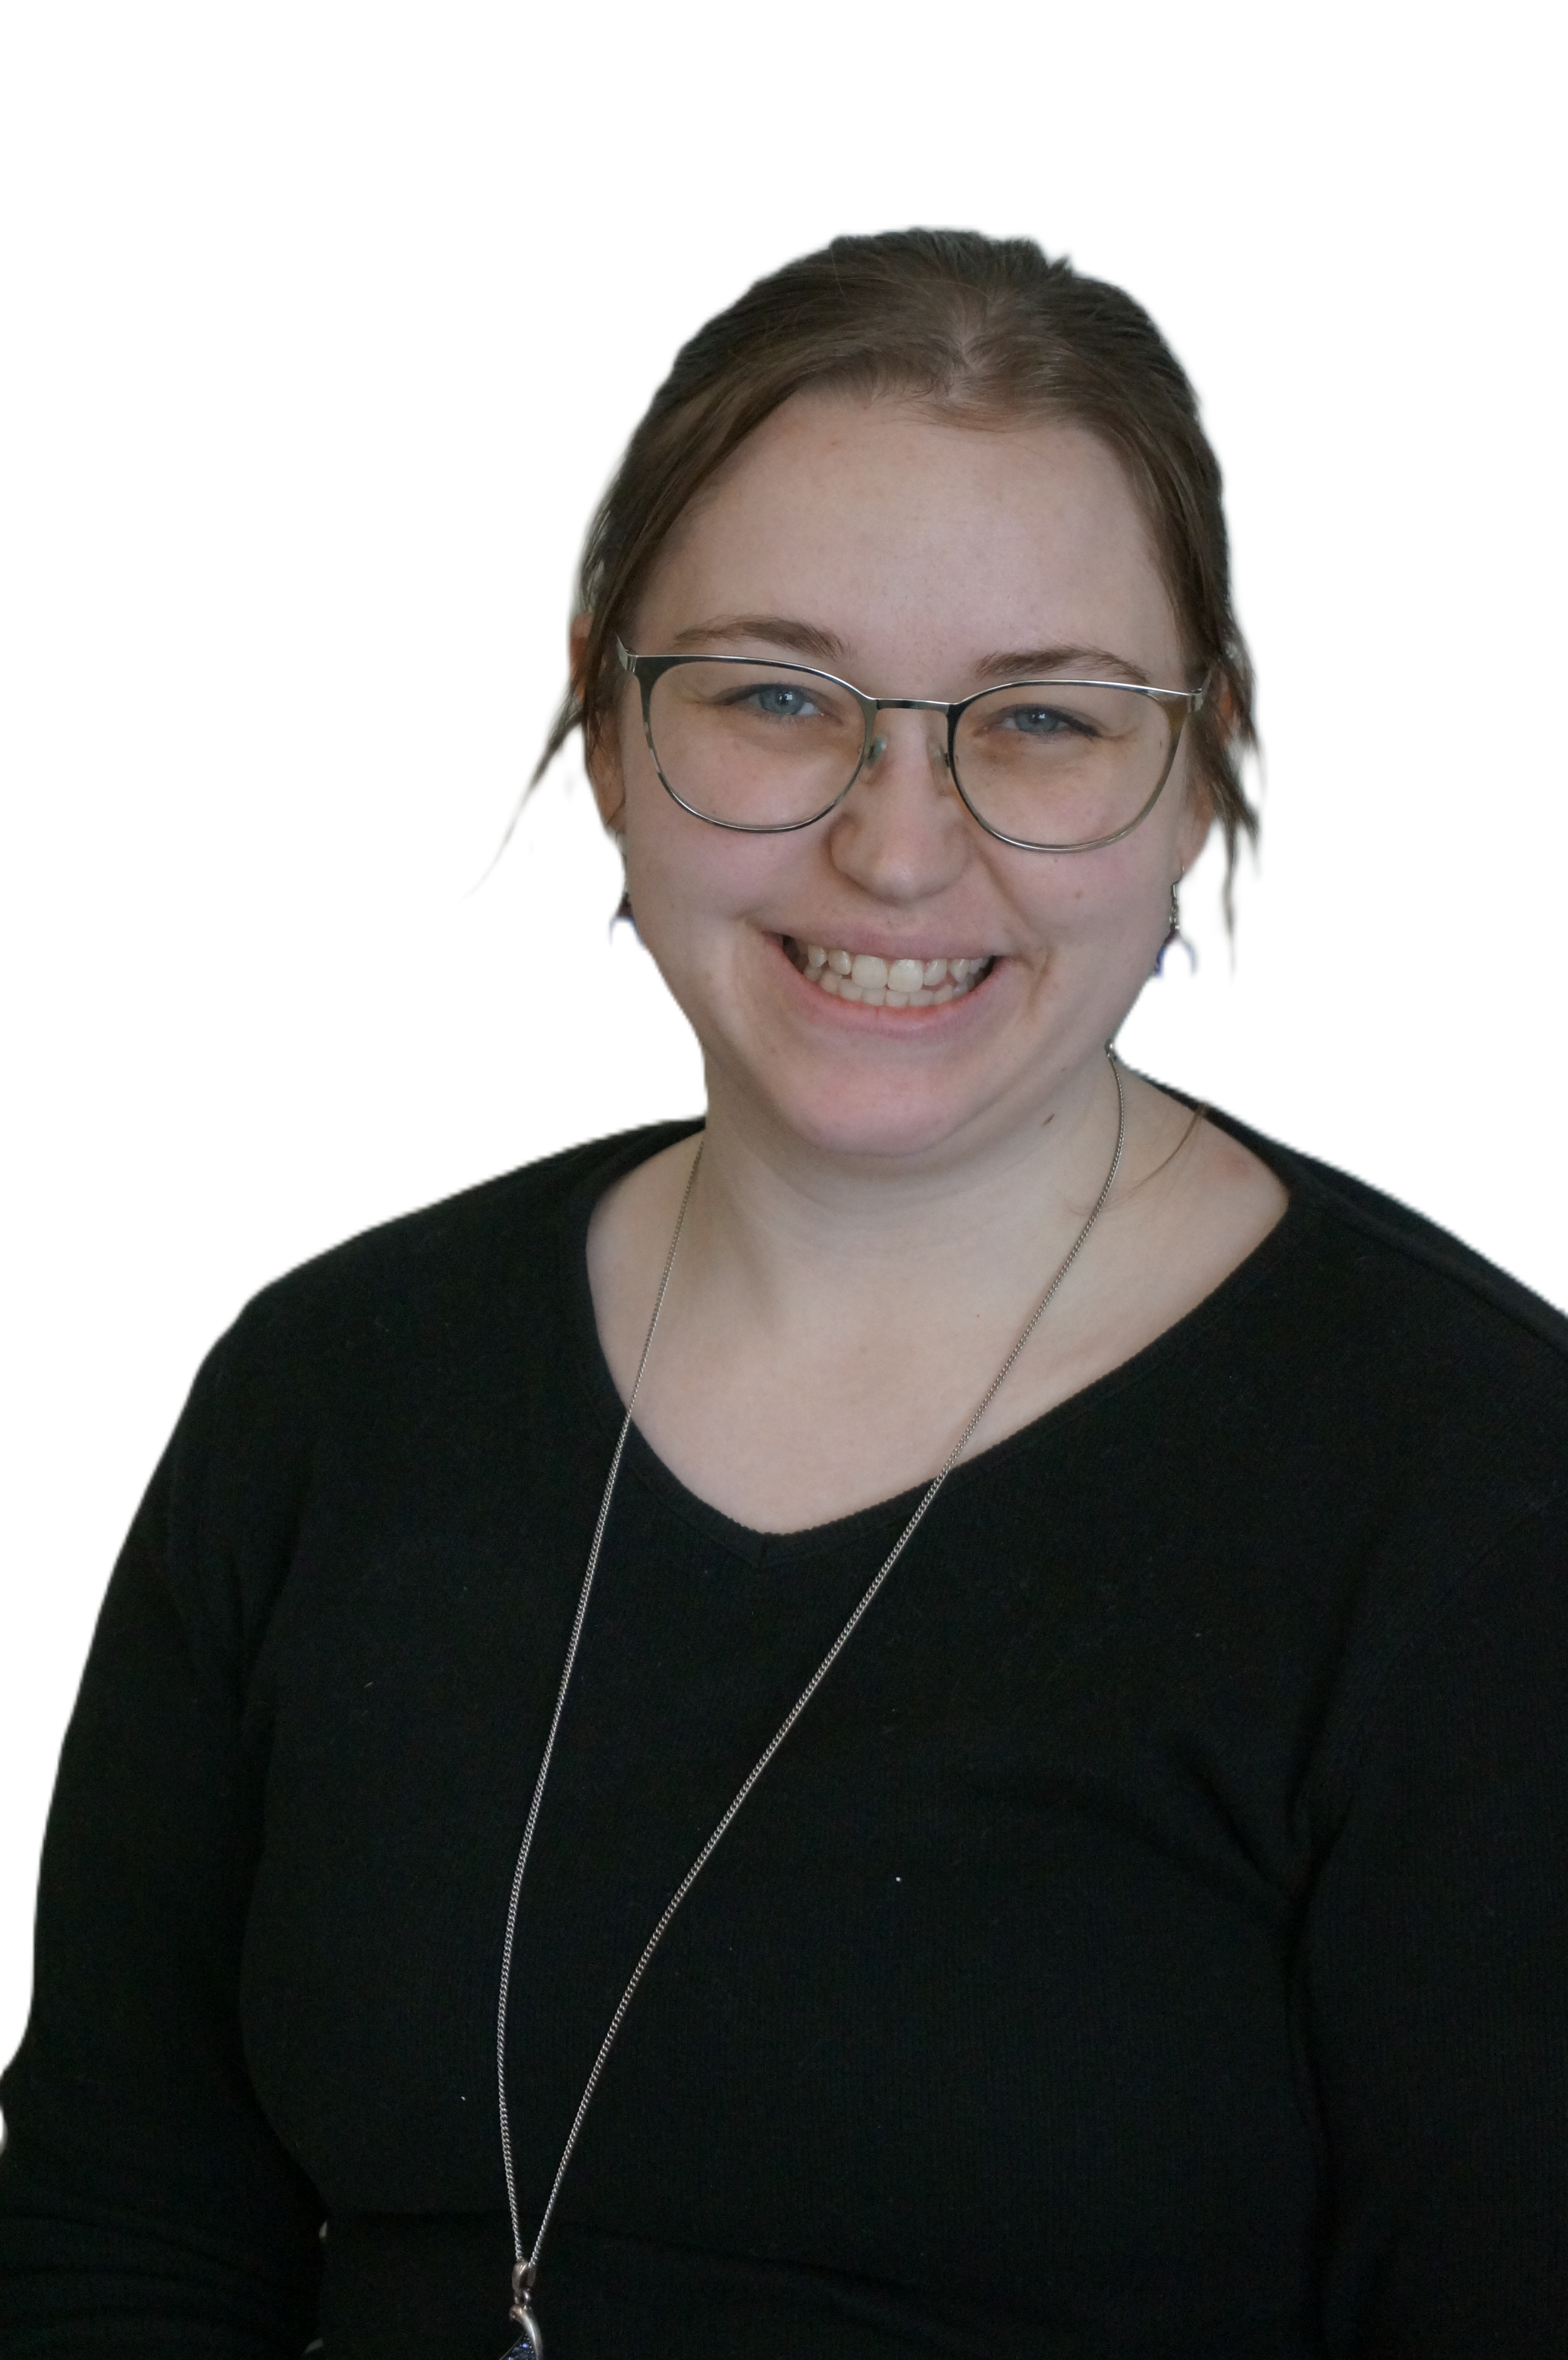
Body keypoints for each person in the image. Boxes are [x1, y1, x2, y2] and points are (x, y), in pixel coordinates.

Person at [3, 227, 1564, 2359]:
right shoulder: (324, 1390)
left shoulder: (1477, 1492)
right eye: (770, 697)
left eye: (1036, 719)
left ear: (1197, 772)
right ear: (603, 731)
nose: (898, 849)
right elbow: (121, 2245)